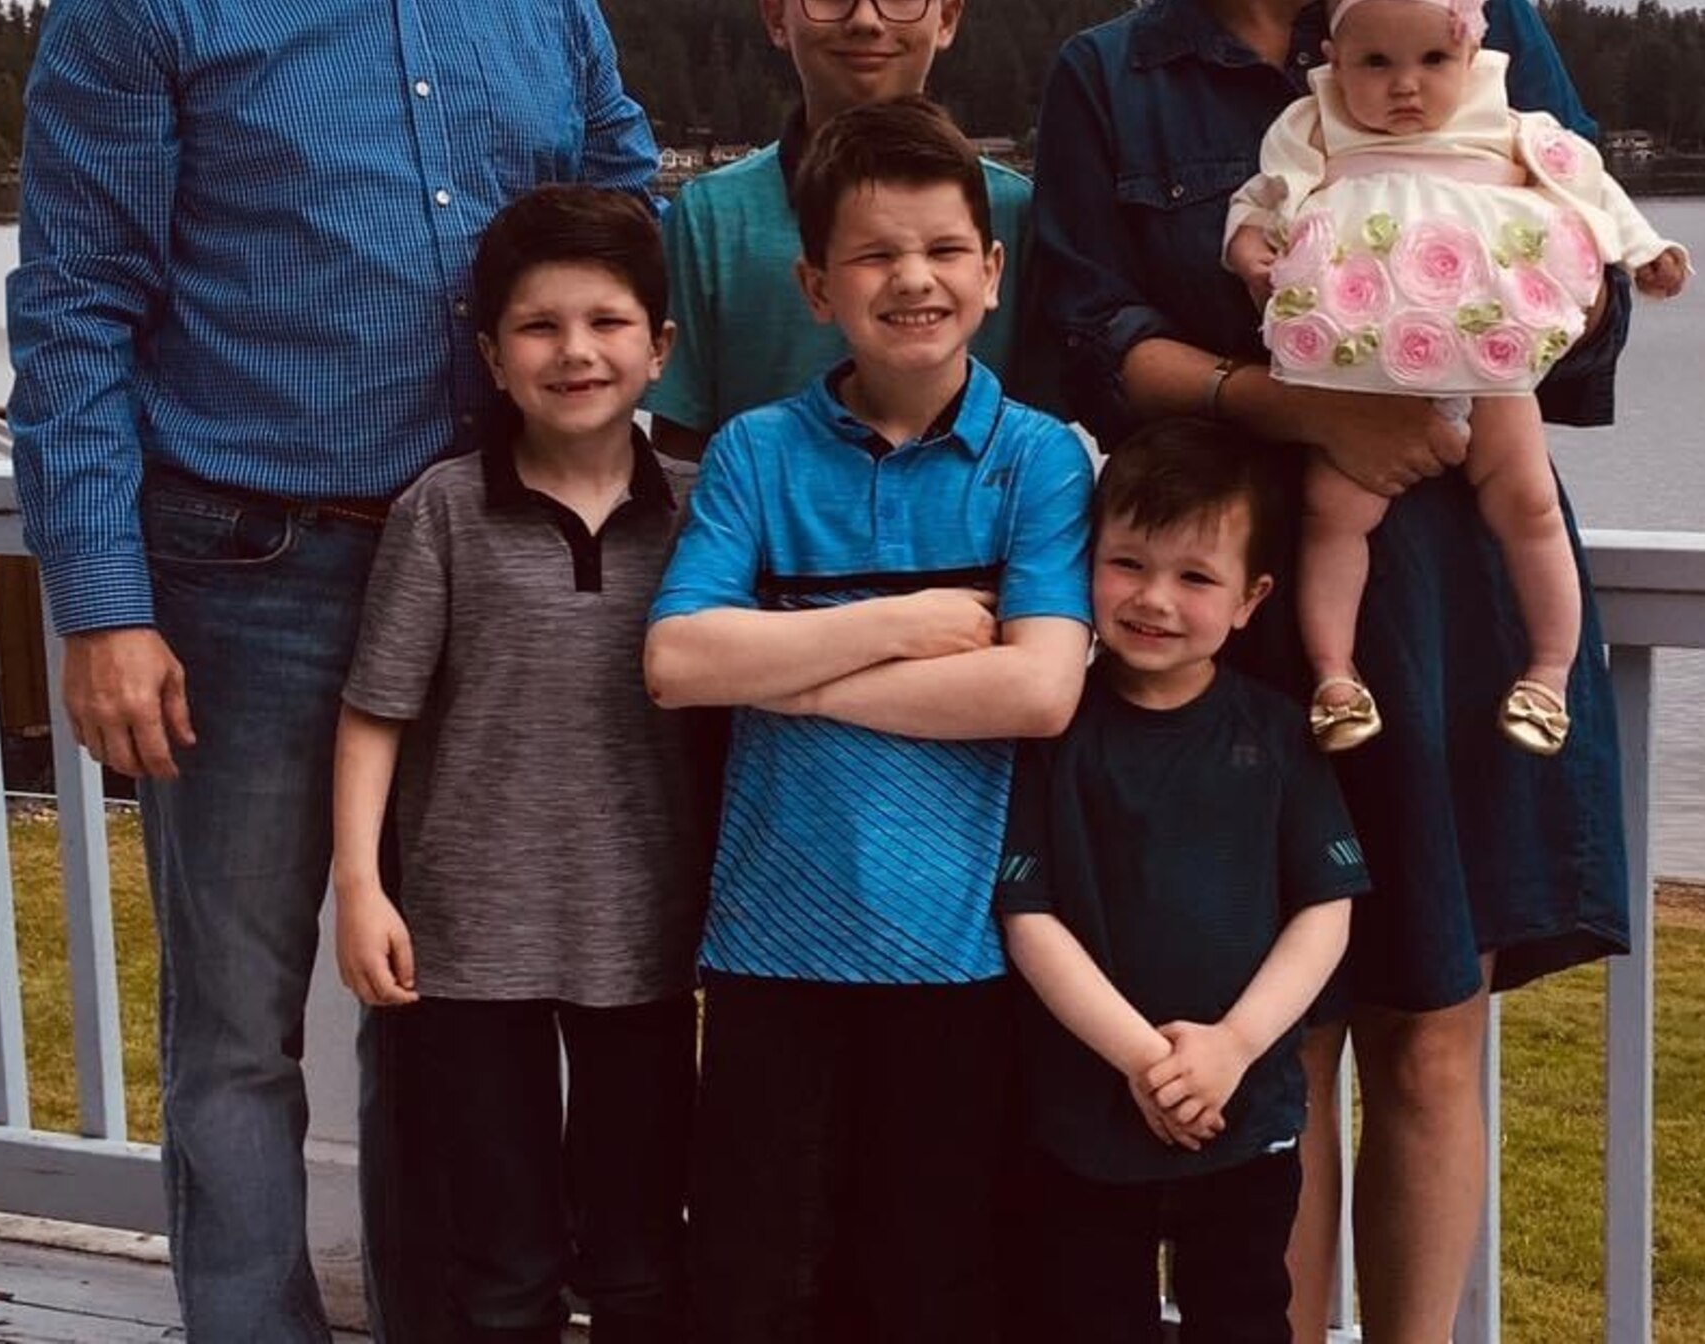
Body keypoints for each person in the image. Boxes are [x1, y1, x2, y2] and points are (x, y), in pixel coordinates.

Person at [5, 0, 660, 1342]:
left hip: (505, 574)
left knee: (444, 1015)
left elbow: (619, 207)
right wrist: (101, 599)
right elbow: (69, 312)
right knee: (236, 1026)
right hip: (250, 577)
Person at [1028, 0, 1632, 1344]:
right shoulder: (1111, 74)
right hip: (1227, 626)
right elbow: (1078, 331)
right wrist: (1279, 404)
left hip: (1448, 594)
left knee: (1432, 1023)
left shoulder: (1474, 16)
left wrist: (1433, 375)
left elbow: (1595, 297)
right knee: (1266, 1039)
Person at [644, 95, 1094, 1343]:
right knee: (752, 1276)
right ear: (813, 284)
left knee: (933, 1276)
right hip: (767, 943)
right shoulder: (755, 452)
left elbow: (1036, 687)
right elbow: (680, 660)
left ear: (991, 271)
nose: (912, 279)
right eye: (873, 254)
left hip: (959, 948)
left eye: (944, 249)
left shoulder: (1038, 458)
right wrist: (912, 621)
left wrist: (783, 665)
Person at [332, 187, 707, 1344]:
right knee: (500, 1261)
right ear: (492, 356)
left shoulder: (705, 511)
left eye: (606, 320)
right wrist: (361, 886)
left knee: (642, 1248)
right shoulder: (441, 511)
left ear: (660, 345)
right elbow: (374, 713)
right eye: (540, 326)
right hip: (467, 938)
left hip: (646, 928)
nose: (576, 350)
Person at [1224, 0, 1690, 758]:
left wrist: (1645, 248)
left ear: (1469, 54)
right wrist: (1248, 245)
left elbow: (1584, 183)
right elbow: (1263, 197)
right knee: (1333, 516)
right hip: (1363, 370)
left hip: (1493, 360)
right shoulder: (1317, 124)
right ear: (1335, 55)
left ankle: (1548, 673)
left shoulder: (1507, 122)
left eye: (1433, 62)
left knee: (1529, 505)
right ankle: (1335, 674)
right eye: (1376, 64)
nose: (1406, 87)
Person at [996, 418, 1369, 1344]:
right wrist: (1144, 1062)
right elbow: (1029, 915)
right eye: (1128, 564)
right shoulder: (1051, 732)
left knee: (1242, 1314)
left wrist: (1232, 1048)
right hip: (1084, 1109)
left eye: (1196, 577)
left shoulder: (1281, 737)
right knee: (1085, 1318)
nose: (1155, 599)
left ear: (1253, 598)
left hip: (1243, 1108)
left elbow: (1326, 909)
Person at [647, 0, 1033, 460]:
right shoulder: (710, 219)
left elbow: (1040, 433)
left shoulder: (1013, 210)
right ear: (776, 18)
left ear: (948, 17)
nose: (865, 20)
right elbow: (680, 452)